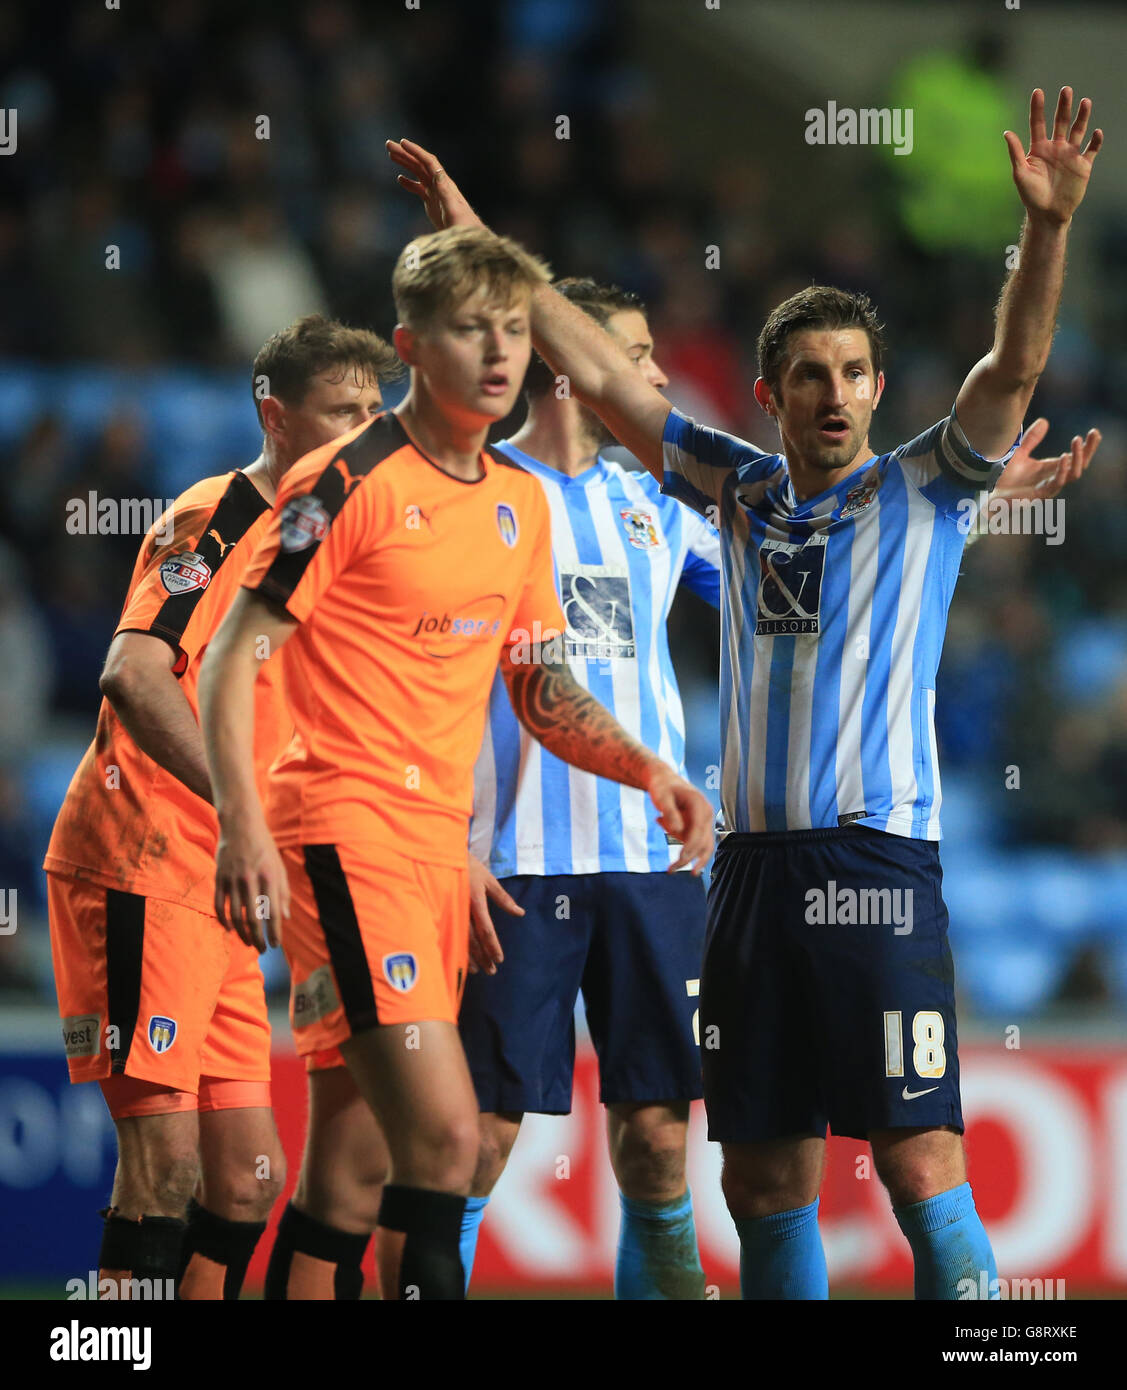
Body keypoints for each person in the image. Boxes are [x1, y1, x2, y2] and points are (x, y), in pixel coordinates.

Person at [387, 84, 1102, 1298]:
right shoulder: (735, 493)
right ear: (766, 398)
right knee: (762, 1176)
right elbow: (608, 385)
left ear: (879, 390)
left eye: (854, 372)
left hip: (875, 865)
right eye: (808, 374)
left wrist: (1045, 229)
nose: (833, 392)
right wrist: (481, 245)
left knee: (920, 1158)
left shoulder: (921, 489)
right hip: (745, 877)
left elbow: (1012, 361)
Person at [198, 225, 715, 1301]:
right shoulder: (341, 483)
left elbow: (538, 683)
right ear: (410, 346)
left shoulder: (516, 501)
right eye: (470, 330)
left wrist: (646, 771)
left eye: (515, 330)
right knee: (443, 1140)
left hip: (438, 853)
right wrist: (243, 825)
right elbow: (234, 655)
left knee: (351, 1175)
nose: (497, 351)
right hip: (341, 832)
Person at [44, 314, 398, 1299]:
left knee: (247, 1181)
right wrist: (244, 810)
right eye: (340, 414)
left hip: (219, 882)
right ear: (273, 416)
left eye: (374, 415)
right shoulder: (212, 523)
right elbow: (134, 672)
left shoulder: (313, 542)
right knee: (167, 1174)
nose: (361, 437)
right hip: (138, 858)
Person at [454, 277, 720, 1299]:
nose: (653, 375)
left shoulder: (655, 501)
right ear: (567, 362)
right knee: (479, 1132)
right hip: (514, 859)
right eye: (634, 352)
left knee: (656, 1136)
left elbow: (784, 565)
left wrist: (968, 503)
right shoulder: (477, 490)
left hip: (652, 861)